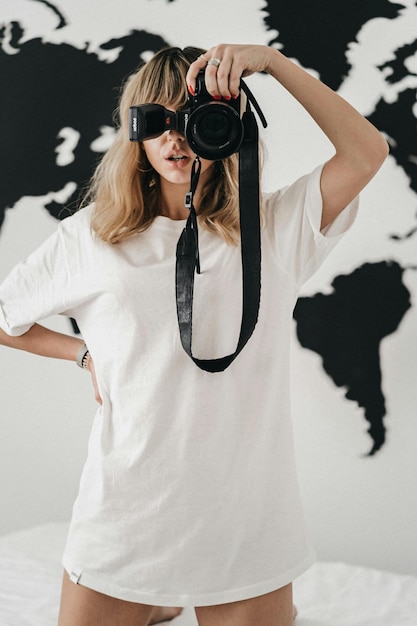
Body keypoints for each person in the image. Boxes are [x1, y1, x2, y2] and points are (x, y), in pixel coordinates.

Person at [0, 43, 388, 626]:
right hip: (122, 522)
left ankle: (167, 599)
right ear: (135, 131)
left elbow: (366, 153)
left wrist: (275, 65)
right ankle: (161, 600)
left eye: (193, 116)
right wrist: (83, 354)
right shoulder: (92, 238)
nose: (175, 138)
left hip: (246, 526)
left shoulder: (273, 231)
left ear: (228, 126)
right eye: (157, 120)